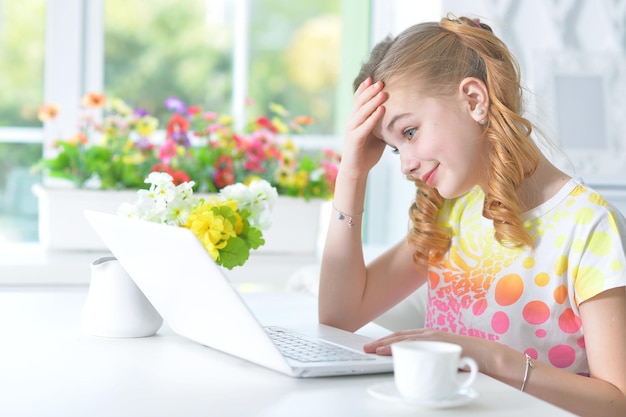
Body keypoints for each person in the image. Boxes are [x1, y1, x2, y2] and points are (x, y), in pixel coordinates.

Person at [318, 15, 626, 417]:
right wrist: (353, 173)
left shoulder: (590, 227)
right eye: (394, 148)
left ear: (474, 100)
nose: (405, 165)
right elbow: (339, 316)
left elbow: (616, 401)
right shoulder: (451, 214)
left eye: (408, 133)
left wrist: (494, 361)